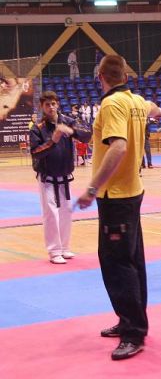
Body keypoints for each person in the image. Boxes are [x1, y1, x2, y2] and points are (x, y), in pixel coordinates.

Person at [76, 54, 161, 361]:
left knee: (117, 264)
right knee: (132, 260)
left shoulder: (112, 104)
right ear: (125, 77)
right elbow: (157, 109)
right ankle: (132, 320)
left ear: (100, 77)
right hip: (132, 191)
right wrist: (151, 116)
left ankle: (133, 332)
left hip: (115, 196)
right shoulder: (136, 101)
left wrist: (92, 188)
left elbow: (119, 146)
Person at [29, 91, 92, 264]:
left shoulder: (67, 121)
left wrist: (71, 131)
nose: (51, 107)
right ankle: (54, 250)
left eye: (53, 104)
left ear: (57, 104)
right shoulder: (38, 128)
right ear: (42, 107)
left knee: (66, 212)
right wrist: (53, 140)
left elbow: (87, 135)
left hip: (65, 174)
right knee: (51, 214)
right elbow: (35, 152)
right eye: (47, 105)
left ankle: (64, 247)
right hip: (47, 176)